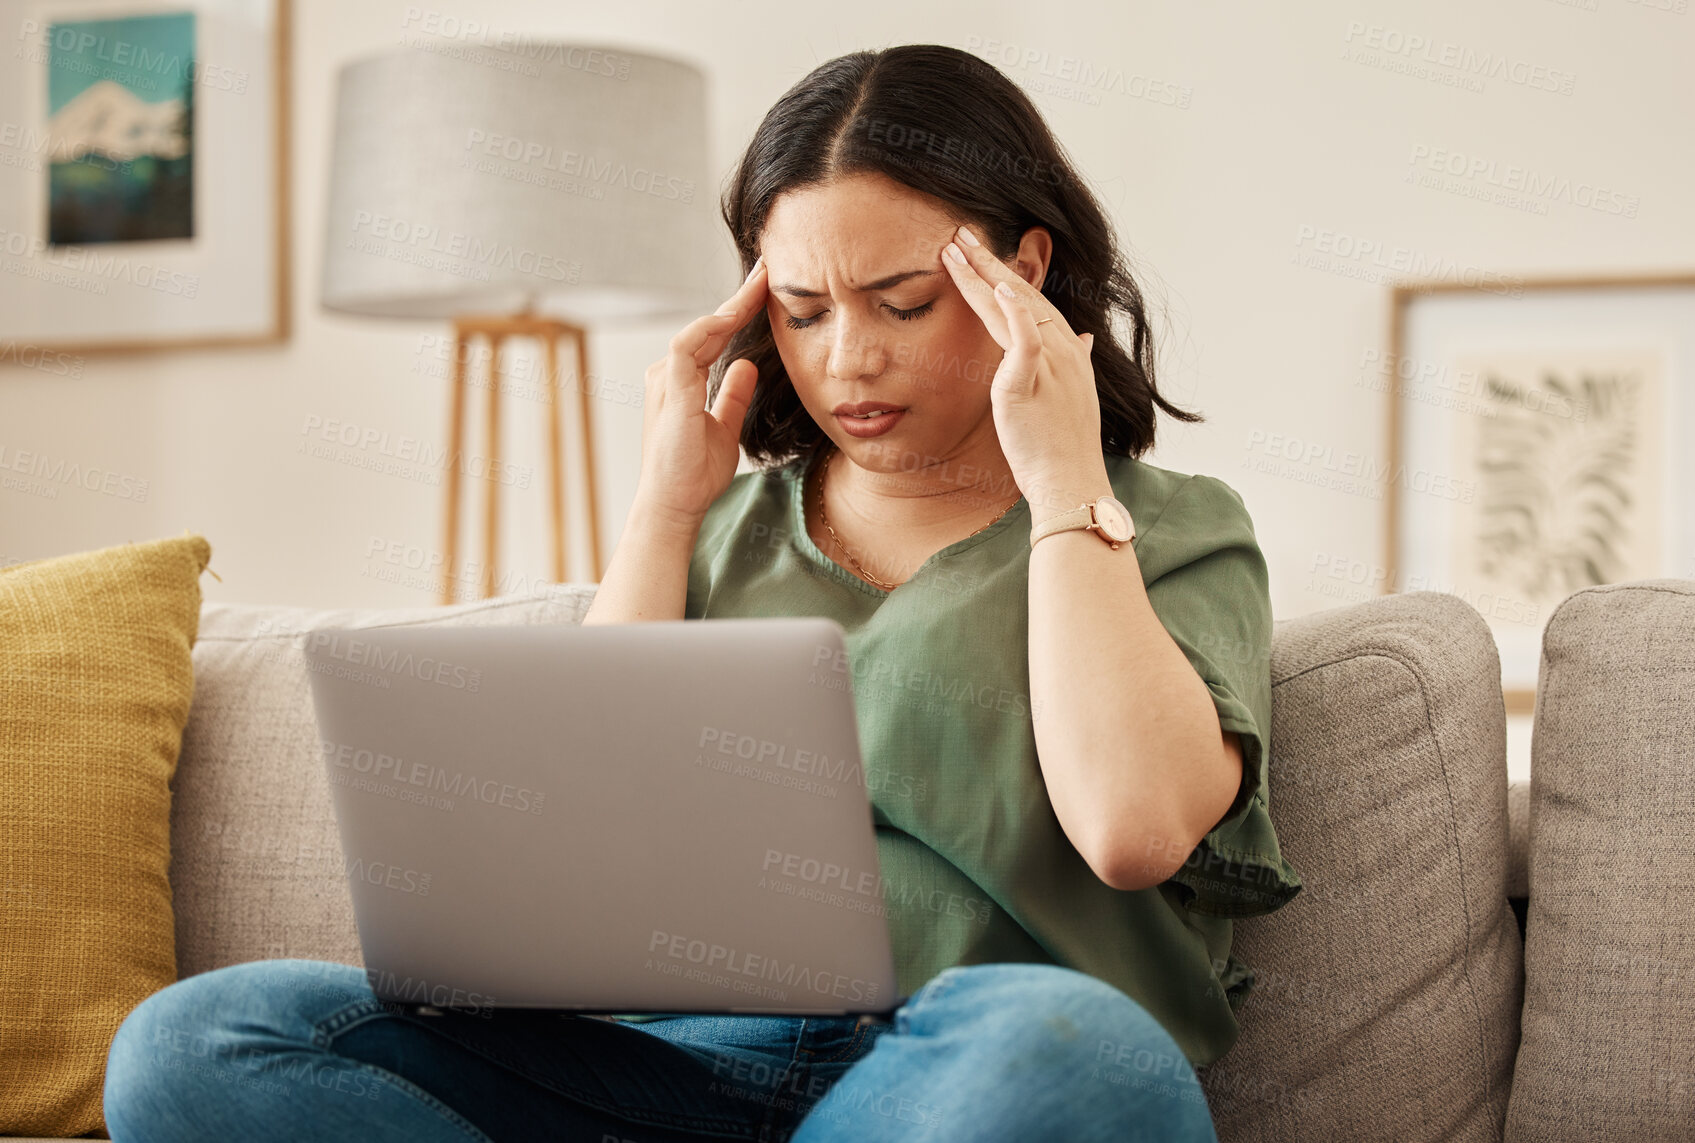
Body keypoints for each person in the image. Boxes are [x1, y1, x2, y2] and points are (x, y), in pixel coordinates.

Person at [102, 42, 1300, 1142]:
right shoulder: (721, 534)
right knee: (197, 1042)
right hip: (653, 1069)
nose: (848, 361)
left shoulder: (1165, 530)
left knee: (1079, 1055)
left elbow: (1134, 830)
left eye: (903, 302)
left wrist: (1062, 478)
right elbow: (567, 862)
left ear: (1021, 271)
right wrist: (665, 508)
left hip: (951, 1071)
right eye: (802, 310)